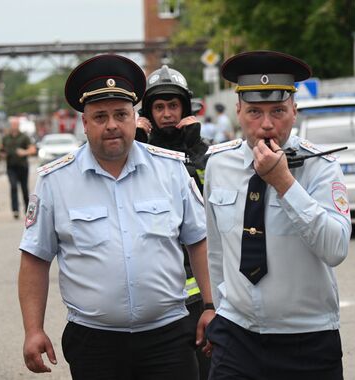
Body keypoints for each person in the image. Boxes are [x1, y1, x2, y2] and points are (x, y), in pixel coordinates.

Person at [18, 54, 214, 380]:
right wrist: (33, 329)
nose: (111, 124)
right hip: (94, 343)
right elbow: (35, 259)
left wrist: (210, 307)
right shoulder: (55, 181)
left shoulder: (170, 170)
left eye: (121, 114)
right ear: (84, 122)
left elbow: (199, 241)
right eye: (100, 116)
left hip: (168, 338)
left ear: (134, 117)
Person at [203, 50, 352, 380]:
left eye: (278, 111)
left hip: (307, 340)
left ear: (295, 111)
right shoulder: (219, 164)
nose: (267, 124)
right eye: (255, 111)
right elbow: (217, 250)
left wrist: (284, 183)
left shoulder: (321, 168)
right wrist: (216, 308)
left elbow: (336, 248)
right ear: (238, 111)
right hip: (237, 336)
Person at [135, 64, 212, 380]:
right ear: (148, 112)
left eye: (173, 106)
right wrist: (136, 147)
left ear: (185, 108)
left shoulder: (205, 153)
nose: (166, 113)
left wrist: (194, 153)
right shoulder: (134, 155)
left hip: (197, 291)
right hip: (151, 293)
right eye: (159, 107)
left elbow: (212, 201)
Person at [0, 117, 36, 219]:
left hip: (22, 166)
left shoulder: (24, 137)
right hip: (11, 167)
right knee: (13, 187)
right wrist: (2, 155)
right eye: (12, 124)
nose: (14, 126)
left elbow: (32, 150)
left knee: (24, 188)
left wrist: (24, 152)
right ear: (10, 126)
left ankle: (27, 210)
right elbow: (1, 150)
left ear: (18, 125)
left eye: (16, 124)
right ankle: (15, 210)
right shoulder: (6, 138)